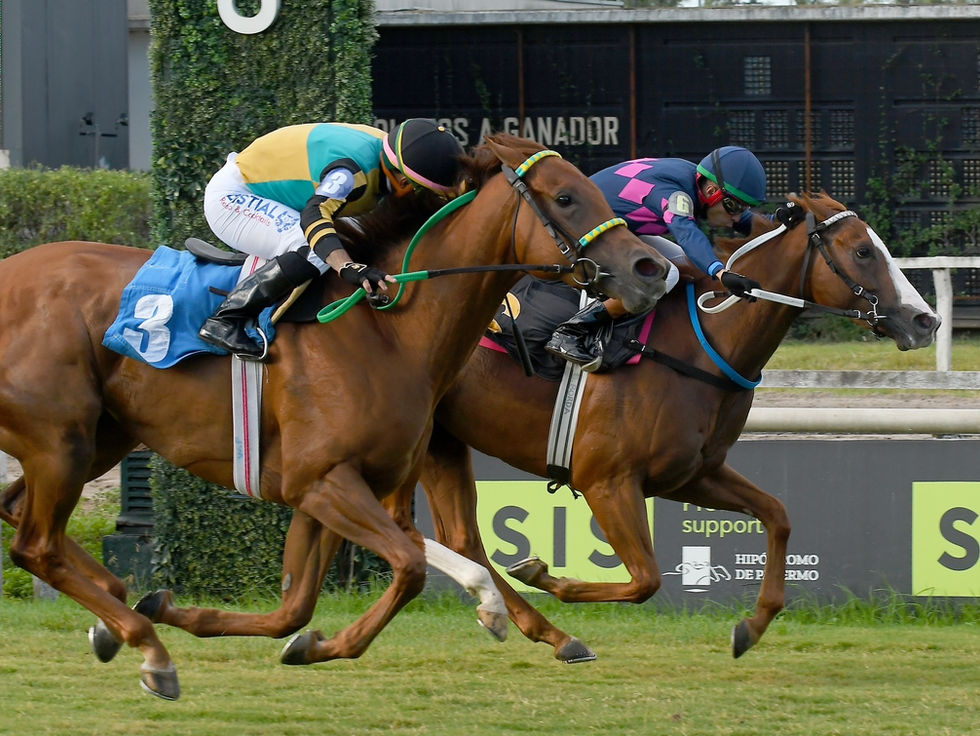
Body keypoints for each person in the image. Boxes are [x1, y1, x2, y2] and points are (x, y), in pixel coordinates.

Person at [198, 118, 465, 359]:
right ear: (405, 183)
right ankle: (226, 319)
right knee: (312, 248)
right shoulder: (349, 175)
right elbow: (314, 215)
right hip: (235, 196)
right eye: (424, 192)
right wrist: (347, 267)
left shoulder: (396, 154)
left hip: (281, 193)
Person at [545, 145, 770, 371]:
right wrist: (719, 272)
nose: (738, 217)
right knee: (665, 273)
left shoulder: (695, 181)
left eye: (744, 207)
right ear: (712, 191)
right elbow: (686, 233)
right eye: (735, 207)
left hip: (615, 230)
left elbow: (742, 221)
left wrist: (776, 220)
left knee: (688, 265)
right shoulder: (675, 194)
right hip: (577, 229)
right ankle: (572, 331)